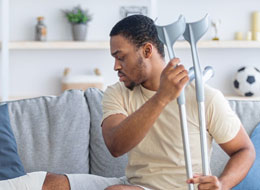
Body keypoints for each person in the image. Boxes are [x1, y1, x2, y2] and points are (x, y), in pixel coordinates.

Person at [0, 15, 255, 190]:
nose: (115, 66)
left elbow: (244, 150)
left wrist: (223, 184)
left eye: (120, 57)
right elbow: (116, 145)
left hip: (180, 187)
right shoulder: (118, 93)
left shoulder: (204, 96)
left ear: (146, 51)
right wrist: (162, 96)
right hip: (133, 182)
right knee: (44, 183)